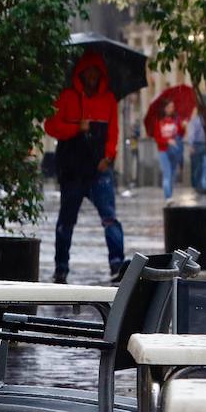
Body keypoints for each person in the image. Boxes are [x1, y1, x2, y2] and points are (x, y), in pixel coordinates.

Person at [44, 51, 125, 283]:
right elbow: (51, 126)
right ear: (80, 74)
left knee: (109, 218)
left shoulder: (108, 100)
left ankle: (117, 264)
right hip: (72, 171)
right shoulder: (67, 97)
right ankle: (61, 267)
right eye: (87, 72)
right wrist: (76, 128)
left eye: (95, 72)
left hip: (99, 170)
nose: (92, 76)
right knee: (66, 222)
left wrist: (108, 157)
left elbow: (113, 132)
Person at [152, 98, 185, 202]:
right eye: (170, 107)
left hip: (174, 150)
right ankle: (168, 196)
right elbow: (157, 138)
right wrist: (167, 141)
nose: (172, 109)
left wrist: (183, 127)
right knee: (167, 173)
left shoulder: (176, 120)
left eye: (173, 107)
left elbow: (180, 134)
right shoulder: (159, 122)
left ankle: (170, 195)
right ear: (164, 108)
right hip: (163, 150)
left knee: (173, 174)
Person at [186, 110, 206, 193]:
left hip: (203, 145)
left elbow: (192, 133)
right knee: (200, 167)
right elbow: (192, 133)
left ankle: (202, 185)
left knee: (203, 166)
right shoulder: (196, 120)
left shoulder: (198, 120)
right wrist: (191, 145)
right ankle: (200, 186)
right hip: (199, 145)